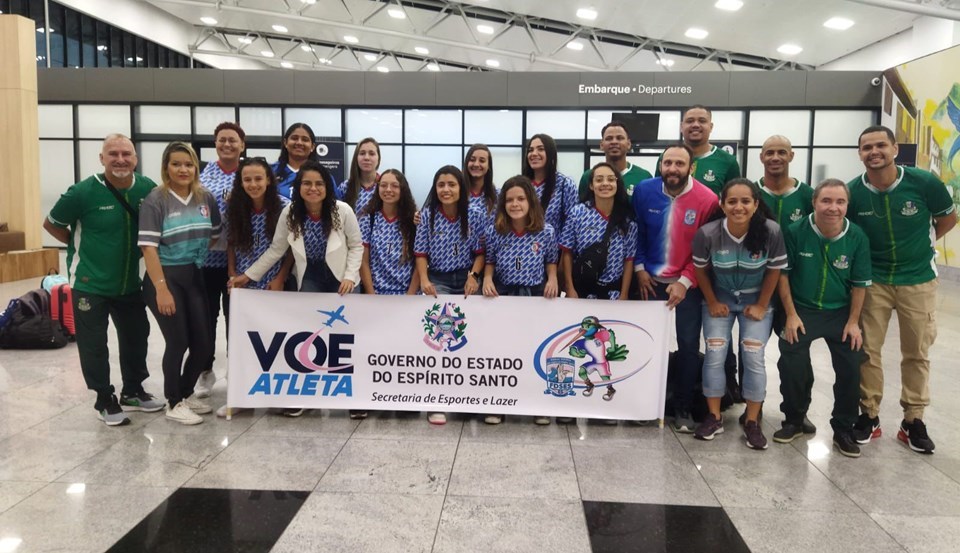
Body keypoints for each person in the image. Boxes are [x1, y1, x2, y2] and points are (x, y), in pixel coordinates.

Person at [847, 125, 957, 454]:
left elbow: (948, 219)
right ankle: (869, 415)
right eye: (867, 147)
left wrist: (921, 247)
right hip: (874, 281)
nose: (874, 151)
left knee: (917, 353)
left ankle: (913, 420)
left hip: (919, 279)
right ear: (860, 154)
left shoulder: (924, 183)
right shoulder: (854, 192)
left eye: (881, 145)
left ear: (895, 149)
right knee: (868, 351)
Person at [43, 133, 163, 426]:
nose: (120, 159)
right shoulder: (82, 192)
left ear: (135, 158)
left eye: (126, 154)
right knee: (94, 344)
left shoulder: (147, 188)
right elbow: (52, 224)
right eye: (113, 154)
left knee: (137, 337)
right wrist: (77, 246)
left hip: (130, 283)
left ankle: (133, 391)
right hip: (90, 282)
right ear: (102, 158)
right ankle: (103, 397)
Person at [232, 160, 362, 417]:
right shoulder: (290, 213)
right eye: (307, 183)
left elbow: (357, 246)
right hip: (310, 275)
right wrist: (247, 276)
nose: (313, 188)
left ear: (327, 187)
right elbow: (277, 250)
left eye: (319, 184)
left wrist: (349, 276)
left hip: (340, 277)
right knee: (310, 336)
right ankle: (308, 394)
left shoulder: (342, 210)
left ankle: (355, 398)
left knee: (345, 336)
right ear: (298, 187)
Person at [775, 179, 871, 458]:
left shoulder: (858, 237)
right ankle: (795, 418)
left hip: (841, 312)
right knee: (792, 359)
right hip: (802, 309)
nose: (833, 207)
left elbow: (860, 284)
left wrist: (853, 322)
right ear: (814, 202)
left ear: (847, 205)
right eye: (826, 201)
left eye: (840, 202)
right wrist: (790, 315)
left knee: (852, 365)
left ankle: (843, 427)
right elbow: (783, 275)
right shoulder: (795, 231)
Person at [691, 178, 786, 450]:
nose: (739, 207)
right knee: (715, 352)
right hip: (719, 298)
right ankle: (714, 416)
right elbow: (701, 270)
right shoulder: (707, 233)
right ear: (722, 204)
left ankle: (753, 421)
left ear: (756, 204)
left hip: (757, 300)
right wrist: (710, 301)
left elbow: (774, 271)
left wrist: (761, 304)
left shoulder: (771, 231)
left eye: (746, 201)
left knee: (753, 354)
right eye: (732, 201)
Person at [633, 143, 718, 433]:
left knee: (688, 346)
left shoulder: (707, 199)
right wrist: (640, 269)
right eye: (667, 163)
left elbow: (706, 250)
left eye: (679, 164)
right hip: (649, 281)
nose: (673, 169)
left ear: (691, 168)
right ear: (660, 166)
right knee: (646, 343)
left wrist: (685, 280)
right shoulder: (645, 191)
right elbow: (637, 234)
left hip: (687, 285)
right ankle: (645, 404)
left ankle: (682, 407)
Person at [139, 142, 222, 425]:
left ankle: (186, 394)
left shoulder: (205, 198)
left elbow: (214, 234)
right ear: (166, 168)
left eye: (188, 164)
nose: (183, 169)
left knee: (203, 343)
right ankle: (173, 402)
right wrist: (161, 289)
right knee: (178, 341)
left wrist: (193, 252)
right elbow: (149, 249)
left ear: (196, 167)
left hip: (194, 275)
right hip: (164, 278)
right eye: (176, 164)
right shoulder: (155, 200)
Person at [482, 175, 559, 425]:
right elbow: (490, 261)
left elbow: (551, 260)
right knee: (503, 349)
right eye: (510, 200)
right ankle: (498, 403)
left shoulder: (546, 231)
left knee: (535, 349)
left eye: (521, 199)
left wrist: (552, 279)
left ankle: (538, 404)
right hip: (504, 295)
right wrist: (487, 279)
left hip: (535, 295)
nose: (515, 204)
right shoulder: (495, 231)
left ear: (531, 202)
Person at [414, 165, 485, 426]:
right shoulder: (427, 215)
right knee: (441, 337)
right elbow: (420, 253)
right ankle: (437, 400)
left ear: (461, 188)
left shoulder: (475, 214)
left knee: (472, 338)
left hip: (466, 279)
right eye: (441, 185)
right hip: (439, 280)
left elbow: (481, 253)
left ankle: (468, 398)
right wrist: (424, 279)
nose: (446, 189)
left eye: (451, 184)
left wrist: (474, 276)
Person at [195, 121, 246, 399]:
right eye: (222, 140)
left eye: (233, 140)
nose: (227, 144)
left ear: (242, 145)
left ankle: (235, 372)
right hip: (205, 261)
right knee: (205, 319)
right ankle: (205, 371)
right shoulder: (202, 176)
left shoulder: (249, 175)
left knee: (234, 319)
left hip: (238, 263)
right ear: (215, 143)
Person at [561, 163, 637, 302]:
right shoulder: (577, 213)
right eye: (599, 179)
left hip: (613, 293)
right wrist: (569, 288)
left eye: (610, 179)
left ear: (617, 183)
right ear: (591, 185)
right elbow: (567, 252)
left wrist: (624, 294)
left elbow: (629, 260)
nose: (605, 184)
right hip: (582, 292)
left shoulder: (627, 220)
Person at [358, 169, 420, 295]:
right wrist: (371, 295)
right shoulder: (368, 220)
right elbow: (363, 262)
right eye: (383, 185)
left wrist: (410, 296)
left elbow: (420, 262)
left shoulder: (413, 221)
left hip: (407, 294)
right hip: (376, 294)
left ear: (403, 190)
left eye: (395, 186)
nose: (388, 190)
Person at [658, 105, 741, 196]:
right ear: (681, 126)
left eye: (702, 121)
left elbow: (734, 200)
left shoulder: (728, 161)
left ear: (711, 126)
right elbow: (657, 192)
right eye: (690, 121)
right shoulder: (666, 158)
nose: (695, 125)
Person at [522, 134, 578, 239]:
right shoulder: (521, 184)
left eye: (540, 149)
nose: (534, 154)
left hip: (554, 251)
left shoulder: (565, 184)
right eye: (530, 150)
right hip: (522, 250)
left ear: (551, 153)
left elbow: (572, 224)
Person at [578, 121, 652, 198]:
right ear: (601, 145)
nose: (614, 142)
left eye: (619, 138)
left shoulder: (644, 177)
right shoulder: (588, 177)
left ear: (629, 144)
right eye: (609, 138)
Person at [272, 122, 323, 200]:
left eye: (305, 140)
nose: (299, 143)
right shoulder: (270, 172)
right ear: (285, 142)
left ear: (312, 147)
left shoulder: (323, 175)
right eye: (294, 138)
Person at [337, 137, 380, 215]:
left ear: (378, 158)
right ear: (356, 158)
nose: (366, 158)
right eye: (362, 153)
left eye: (372, 153)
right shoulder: (345, 187)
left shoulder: (385, 186)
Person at [464, 144, 498, 224]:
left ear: (489, 165)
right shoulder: (457, 193)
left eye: (482, 161)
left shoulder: (498, 195)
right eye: (472, 160)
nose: (476, 164)